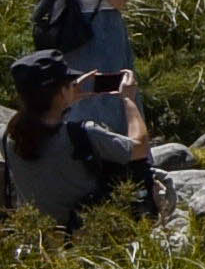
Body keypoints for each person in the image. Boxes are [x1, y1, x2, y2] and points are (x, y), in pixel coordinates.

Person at [5, 51, 143, 224]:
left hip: (44, 236)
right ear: (61, 93)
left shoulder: (11, 137)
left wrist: (66, 98)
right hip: (86, 234)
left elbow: (41, 114)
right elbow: (139, 147)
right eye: (69, 83)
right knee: (153, 177)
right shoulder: (83, 134)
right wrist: (129, 100)